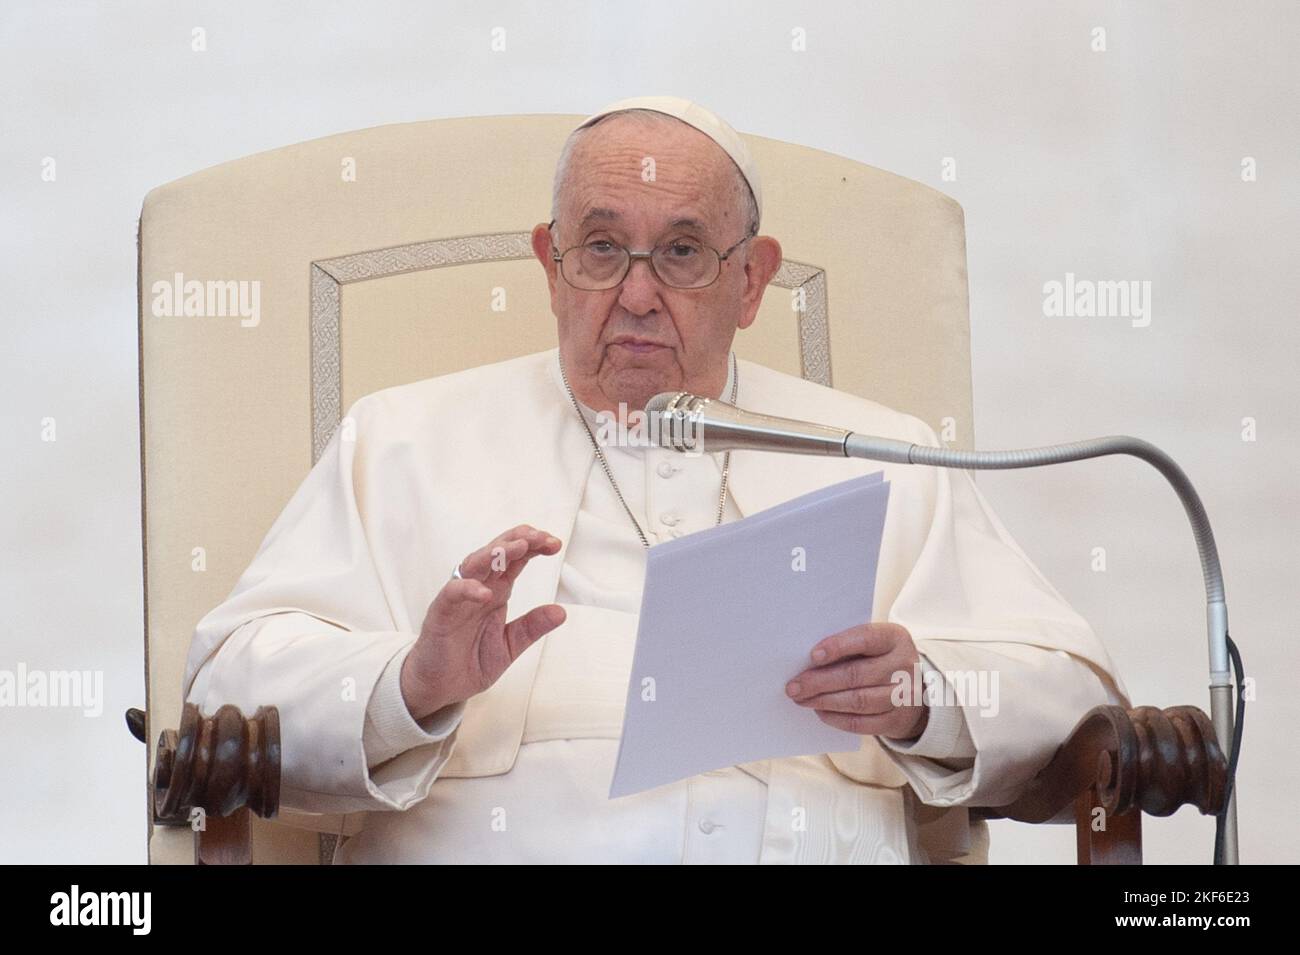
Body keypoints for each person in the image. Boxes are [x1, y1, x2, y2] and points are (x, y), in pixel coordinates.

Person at [183, 95, 1129, 864]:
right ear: (551, 266)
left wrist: (924, 695)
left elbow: (1074, 695)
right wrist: (410, 684)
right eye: (602, 248)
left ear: (752, 281)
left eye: (681, 251)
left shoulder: (884, 451)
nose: (637, 294)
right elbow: (227, 682)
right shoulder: (401, 441)